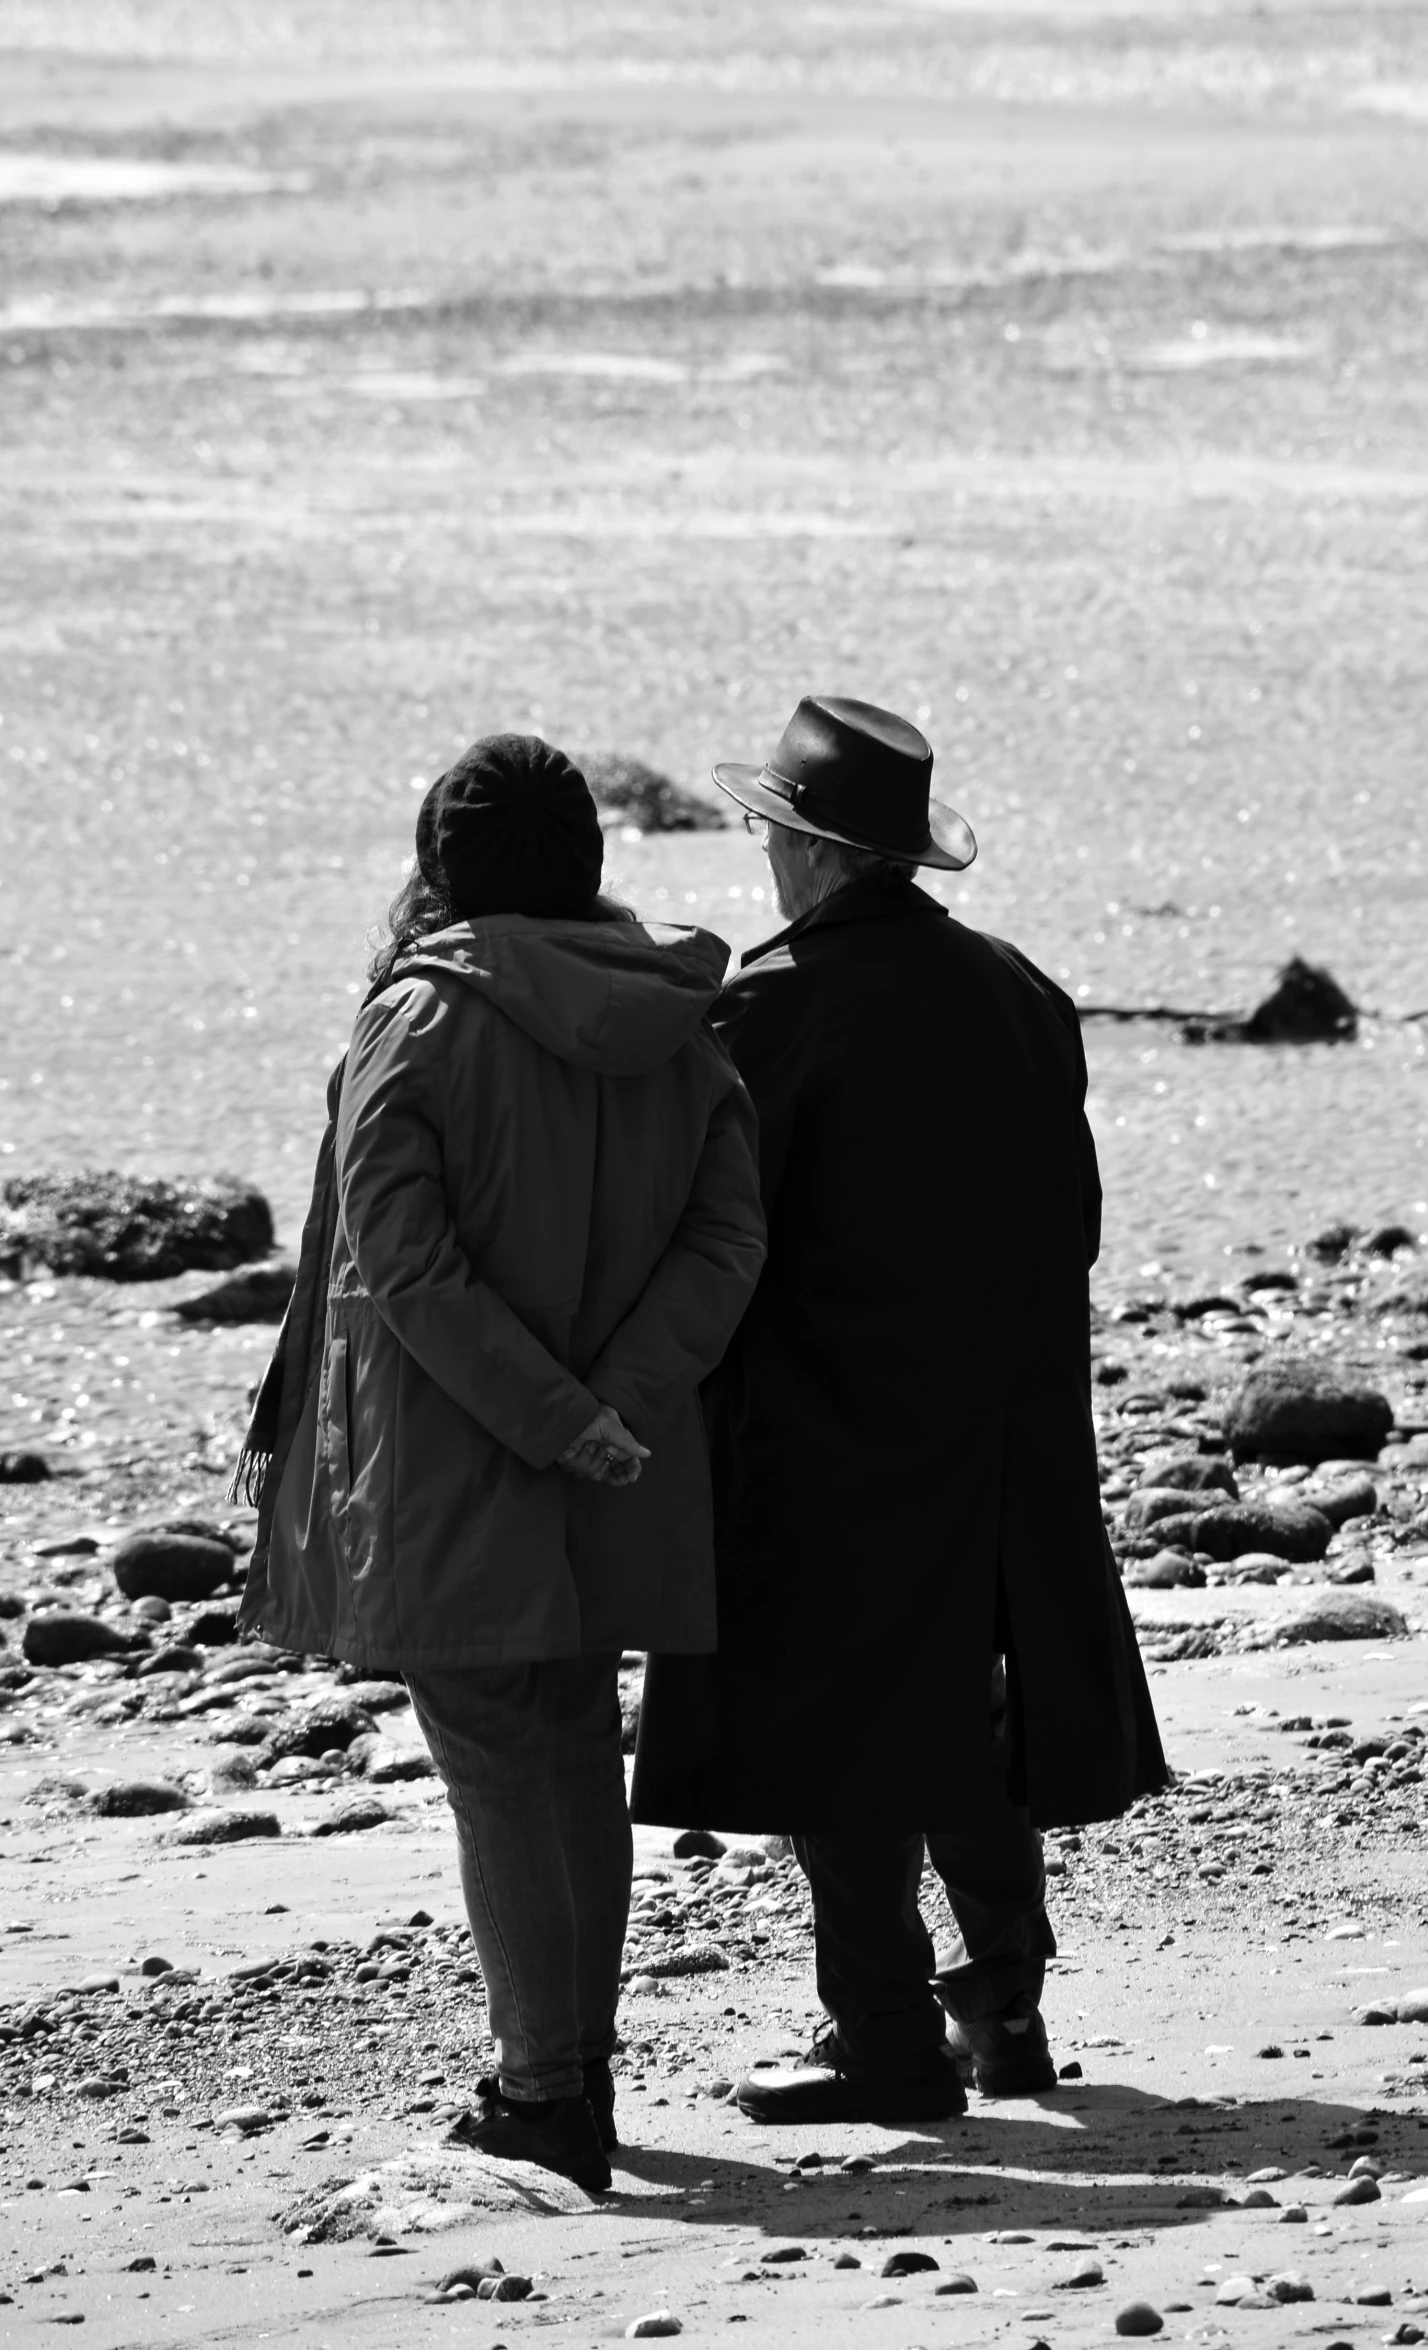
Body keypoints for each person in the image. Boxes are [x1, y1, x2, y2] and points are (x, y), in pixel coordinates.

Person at [234, 734, 766, 2189]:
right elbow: (729, 1236)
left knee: (499, 1762)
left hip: (460, 1461)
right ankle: (572, 2073)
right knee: (573, 1751)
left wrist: (557, 1413)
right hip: (614, 1454)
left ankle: (547, 2091)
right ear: (589, 862)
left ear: (436, 867)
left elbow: (398, 1262)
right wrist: (614, 1404)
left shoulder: (418, 1018)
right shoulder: (676, 1017)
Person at [631, 694, 1167, 2123]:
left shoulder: (773, 1004)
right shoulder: (1023, 991)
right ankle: (1004, 2005)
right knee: (973, 1712)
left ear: (808, 851)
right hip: (1007, 1420)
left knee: (838, 1720)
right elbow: (1076, 1223)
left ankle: (882, 2035)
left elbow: (721, 1235)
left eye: (766, 828)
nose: (758, 850)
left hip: (831, 1419)